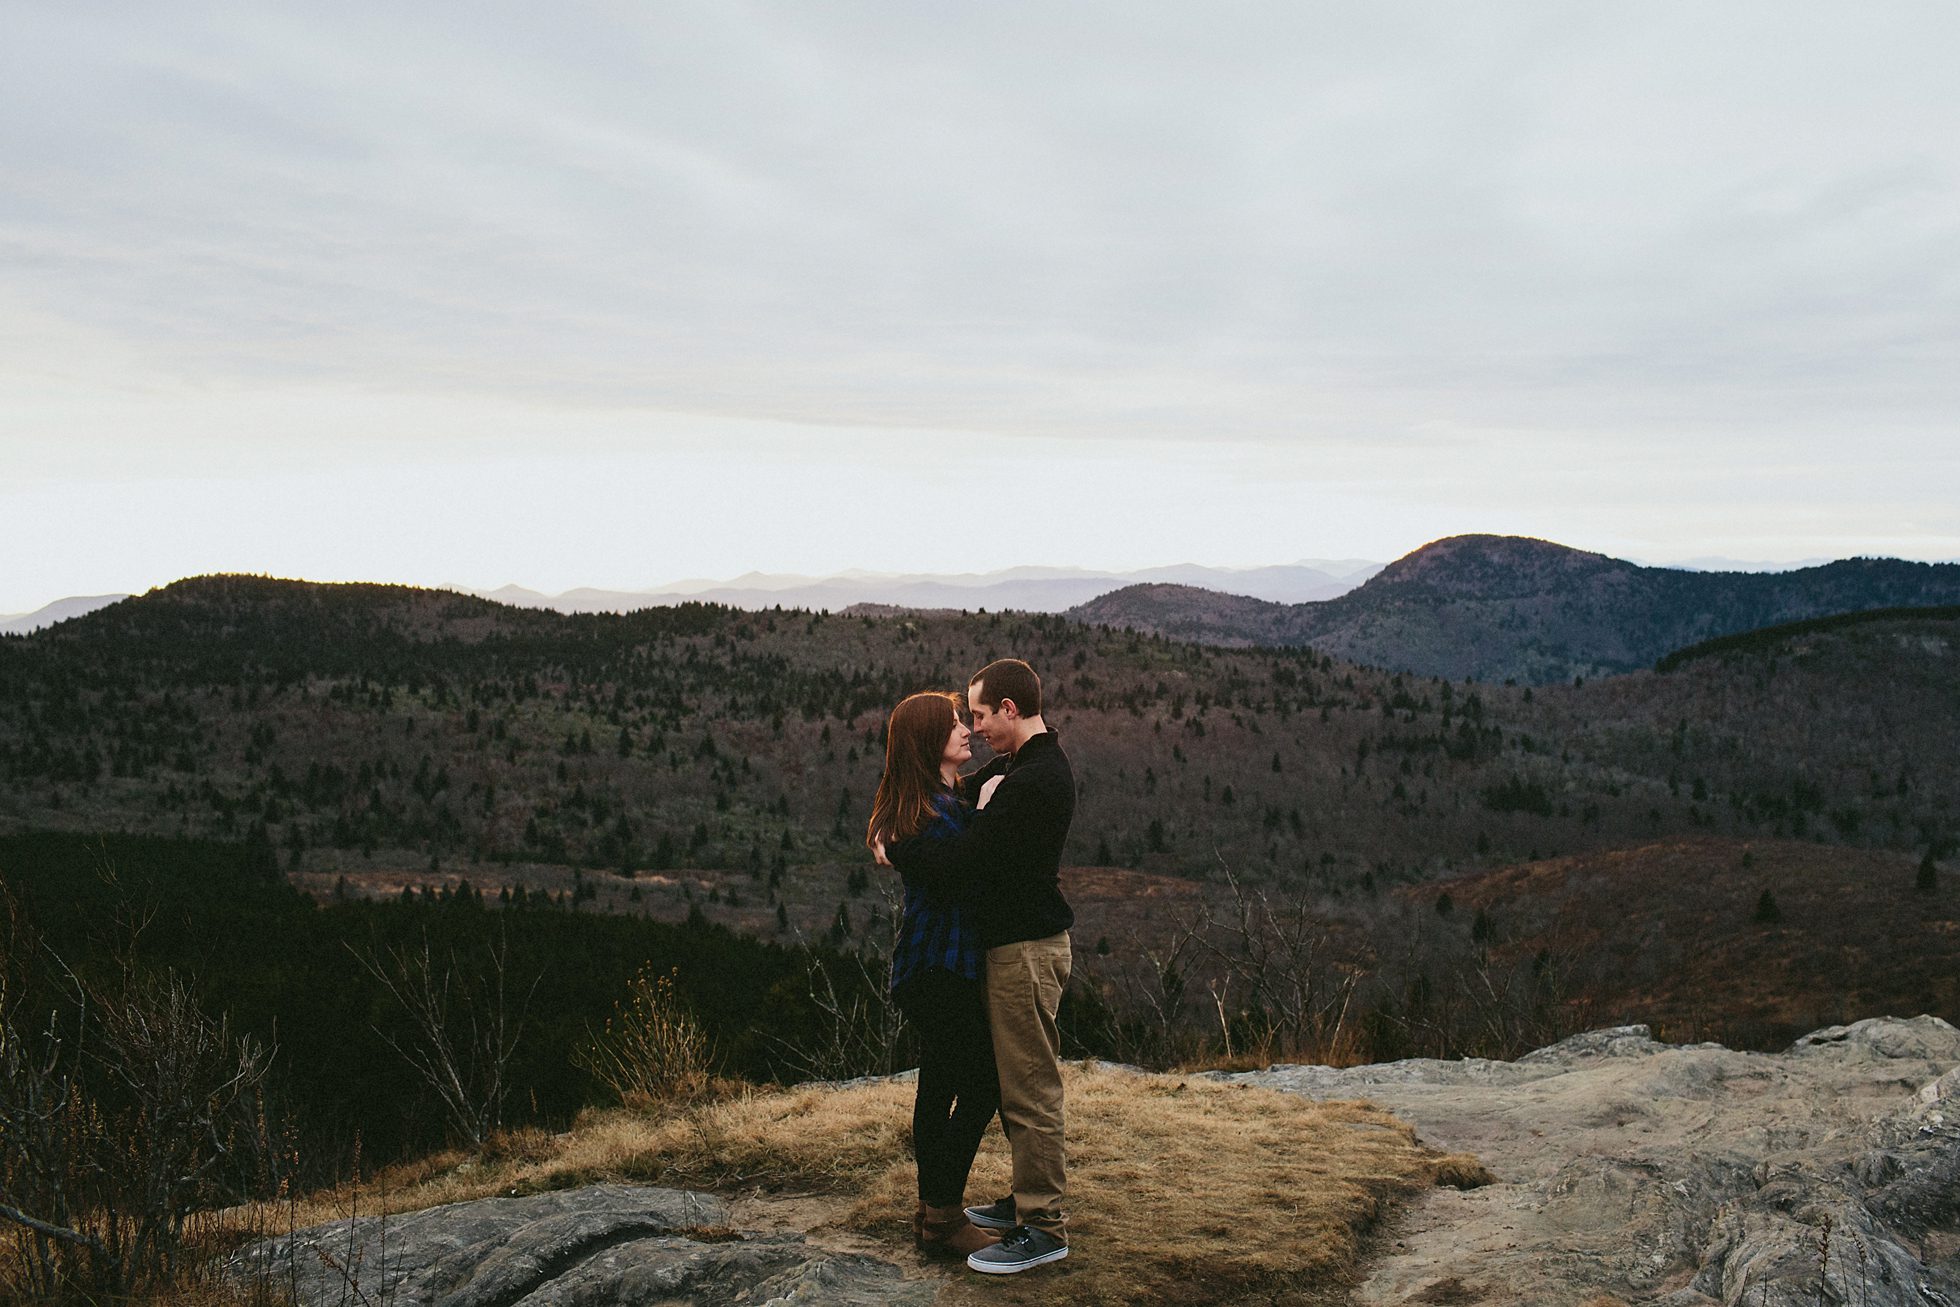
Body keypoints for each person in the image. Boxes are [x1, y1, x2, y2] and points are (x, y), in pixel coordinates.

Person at [884, 658, 1075, 1275]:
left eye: (982, 714)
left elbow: (966, 859)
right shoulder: (1021, 767)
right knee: (980, 1082)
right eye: (965, 717)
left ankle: (1042, 1224)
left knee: (1025, 1087)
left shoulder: (1033, 781)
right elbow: (937, 794)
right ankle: (980, 1206)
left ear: (1010, 711)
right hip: (980, 956)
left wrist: (901, 847)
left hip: (1024, 950)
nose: (975, 725)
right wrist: (893, 830)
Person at [867, 691, 1002, 1258]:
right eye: (953, 725)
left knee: (939, 1086)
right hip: (937, 968)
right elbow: (963, 867)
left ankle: (932, 1214)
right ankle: (944, 1213)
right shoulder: (924, 814)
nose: (965, 730)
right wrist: (989, 810)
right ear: (927, 742)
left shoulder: (942, 798)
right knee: (982, 1085)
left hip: (941, 966)